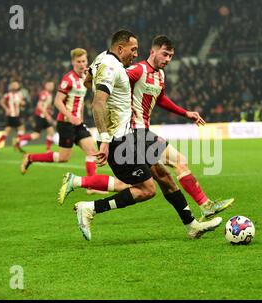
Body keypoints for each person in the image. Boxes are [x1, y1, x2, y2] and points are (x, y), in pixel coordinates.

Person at [63, 35, 233, 221]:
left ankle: (193, 220)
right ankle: (204, 206)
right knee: (175, 164)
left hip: (142, 132)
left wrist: (186, 113)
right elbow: (113, 85)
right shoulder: (137, 70)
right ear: (153, 51)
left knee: (163, 178)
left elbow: (160, 99)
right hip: (135, 133)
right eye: (165, 54)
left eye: (171, 56)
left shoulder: (160, 75)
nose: (168, 59)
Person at [20, 48, 127, 194]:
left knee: (92, 151)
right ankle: (30, 157)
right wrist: (70, 117)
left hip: (78, 123)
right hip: (66, 123)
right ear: (72, 62)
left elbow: (83, 98)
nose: (82, 64)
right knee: (64, 157)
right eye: (78, 62)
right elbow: (58, 101)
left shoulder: (84, 77)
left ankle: (92, 186)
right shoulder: (67, 79)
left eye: (84, 61)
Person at [15, 81, 56, 152]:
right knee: (36, 135)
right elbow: (39, 105)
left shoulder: (49, 94)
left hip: (44, 116)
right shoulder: (44, 94)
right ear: (46, 86)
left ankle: (48, 150)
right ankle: (19, 139)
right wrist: (47, 115)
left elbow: (45, 105)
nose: (52, 87)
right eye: (50, 85)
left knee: (51, 132)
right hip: (41, 116)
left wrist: (49, 110)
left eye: (52, 85)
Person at [0, 81, 26, 153]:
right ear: (12, 87)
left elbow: (21, 103)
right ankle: (17, 145)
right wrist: (6, 109)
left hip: (15, 115)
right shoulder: (8, 95)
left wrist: (22, 104)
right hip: (12, 115)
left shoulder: (19, 95)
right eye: (15, 85)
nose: (16, 85)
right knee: (21, 128)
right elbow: (1, 102)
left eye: (17, 84)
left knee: (7, 132)